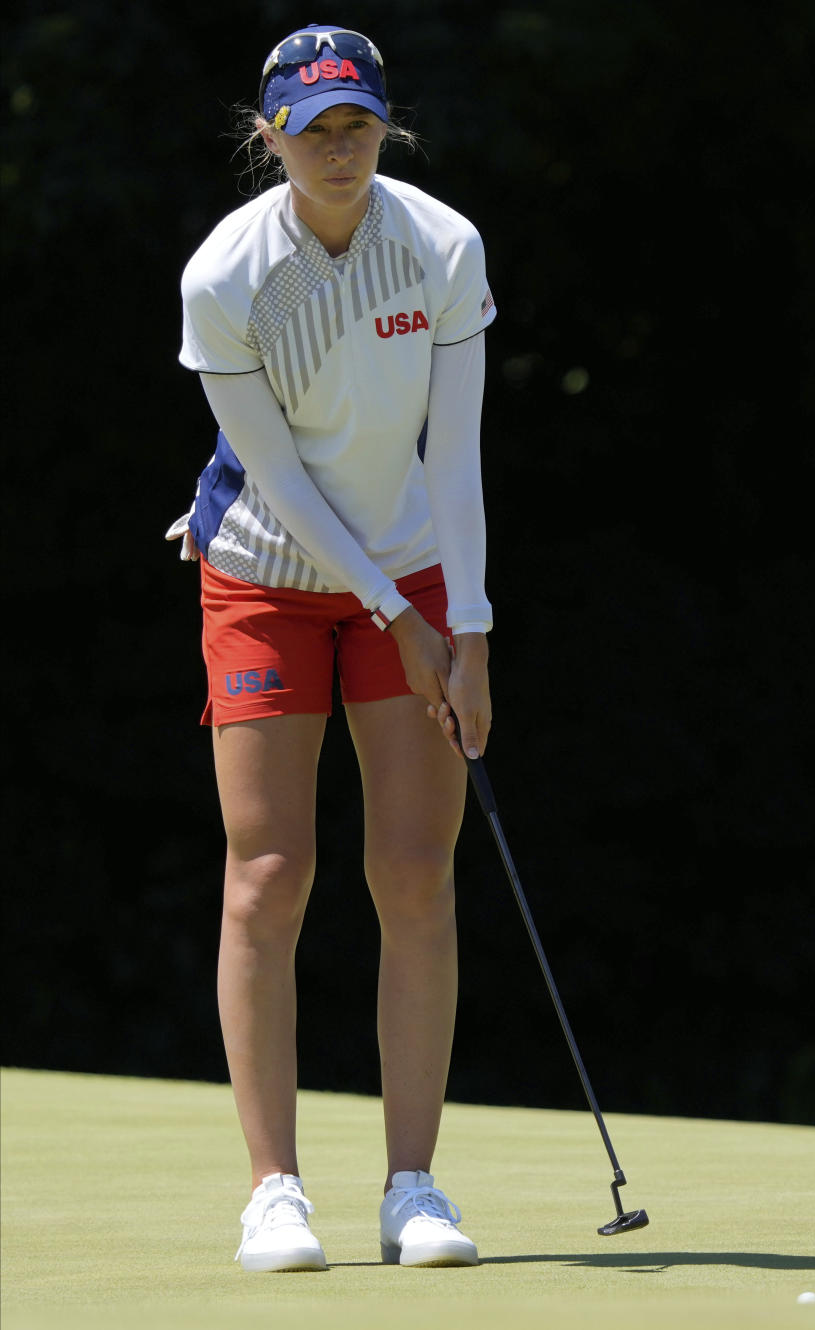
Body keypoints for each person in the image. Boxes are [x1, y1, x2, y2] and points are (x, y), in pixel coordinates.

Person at [165, 23, 496, 1272]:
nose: (338, 148)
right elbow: (284, 478)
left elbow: (451, 453)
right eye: (313, 130)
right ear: (272, 137)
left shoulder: (442, 244)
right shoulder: (227, 274)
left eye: (356, 124)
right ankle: (274, 1191)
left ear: (383, 124)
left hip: (417, 570)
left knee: (414, 870)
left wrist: (467, 629)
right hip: (263, 572)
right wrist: (398, 618)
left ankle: (413, 1187)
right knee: (270, 871)